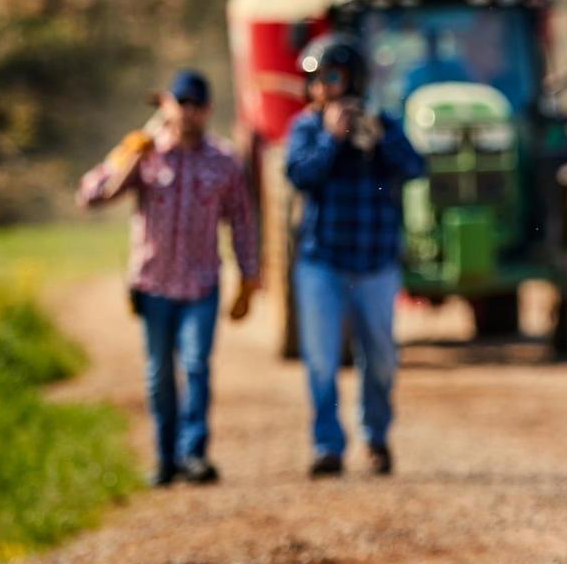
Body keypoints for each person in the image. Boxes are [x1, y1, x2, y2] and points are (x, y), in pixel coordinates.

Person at [77, 69, 259, 486]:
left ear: (208, 109)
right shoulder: (146, 153)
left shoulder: (223, 161)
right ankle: (164, 457)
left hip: (201, 285)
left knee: (196, 366)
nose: (190, 112)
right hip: (154, 284)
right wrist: (127, 156)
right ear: (169, 105)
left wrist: (249, 276)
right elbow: (91, 196)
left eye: (198, 105)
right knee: (159, 373)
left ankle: (192, 454)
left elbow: (243, 222)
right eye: (183, 104)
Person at [285, 35, 425, 477]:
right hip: (322, 263)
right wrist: (332, 139)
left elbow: (416, 168)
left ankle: (377, 439)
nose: (320, 89)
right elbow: (299, 176)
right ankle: (328, 446)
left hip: (376, 263)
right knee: (322, 361)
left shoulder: (382, 123)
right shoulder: (307, 128)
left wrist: (379, 140)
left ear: (354, 80)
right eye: (314, 80)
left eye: (329, 78)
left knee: (381, 359)